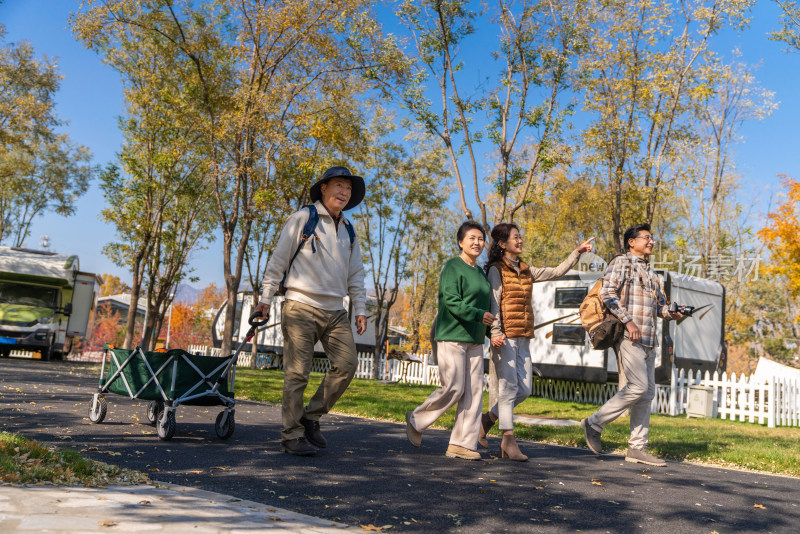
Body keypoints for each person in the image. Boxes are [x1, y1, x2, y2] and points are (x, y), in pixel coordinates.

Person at [254, 166, 368, 457]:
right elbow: (278, 260)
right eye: (339, 185)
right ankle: (291, 435)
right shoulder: (304, 218)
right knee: (297, 374)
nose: (344, 192)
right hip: (300, 305)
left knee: (347, 365)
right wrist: (266, 299)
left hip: (335, 310)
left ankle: (310, 416)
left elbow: (356, 273)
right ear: (324, 188)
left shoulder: (349, 229)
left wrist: (361, 308)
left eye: (349, 189)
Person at [479, 224, 595, 461]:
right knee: (509, 389)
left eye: (520, 237)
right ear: (502, 244)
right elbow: (495, 302)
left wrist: (577, 252)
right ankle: (508, 441)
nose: (520, 240)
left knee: (525, 389)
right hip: (505, 337)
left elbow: (556, 272)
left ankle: (487, 420)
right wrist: (495, 332)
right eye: (515, 237)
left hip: (524, 336)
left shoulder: (525, 269)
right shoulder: (496, 270)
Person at [581, 223, 682, 467]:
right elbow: (608, 294)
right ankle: (594, 423)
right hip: (630, 336)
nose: (651, 242)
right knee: (637, 387)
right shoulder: (621, 263)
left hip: (649, 339)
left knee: (646, 393)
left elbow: (659, 308)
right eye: (646, 238)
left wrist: (674, 313)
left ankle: (637, 448)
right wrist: (628, 322)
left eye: (652, 238)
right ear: (631, 242)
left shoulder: (652, 273)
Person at [404, 221, 495, 460]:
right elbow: (452, 301)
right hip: (452, 334)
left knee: (474, 393)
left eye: (480, 239)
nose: (477, 243)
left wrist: (491, 332)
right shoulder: (453, 267)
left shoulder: (480, 272)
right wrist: (478, 315)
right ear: (460, 242)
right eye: (472, 238)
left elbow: (484, 307)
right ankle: (416, 419)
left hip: (475, 338)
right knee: (454, 387)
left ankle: (462, 444)